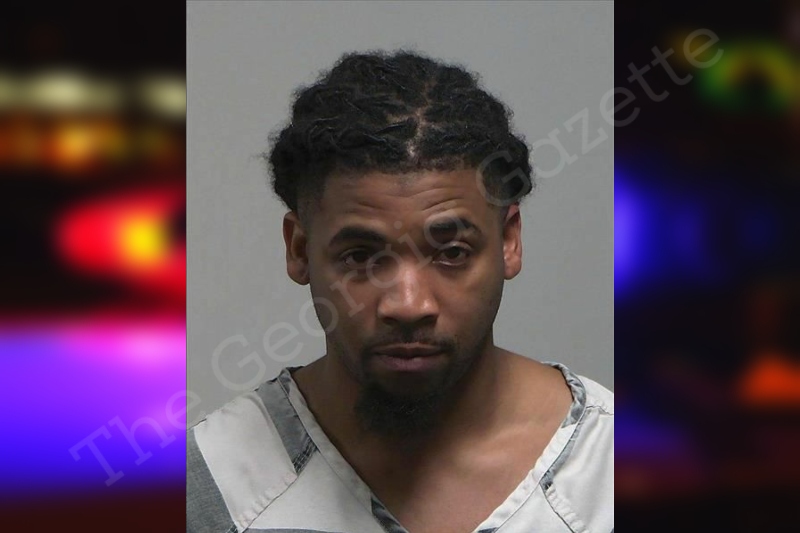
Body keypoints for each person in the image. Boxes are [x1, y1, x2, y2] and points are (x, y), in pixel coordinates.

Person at [187, 50, 613, 533]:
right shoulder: (212, 483)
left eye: (452, 252)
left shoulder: (612, 470)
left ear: (508, 242)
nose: (409, 305)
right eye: (361, 257)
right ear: (300, 250)